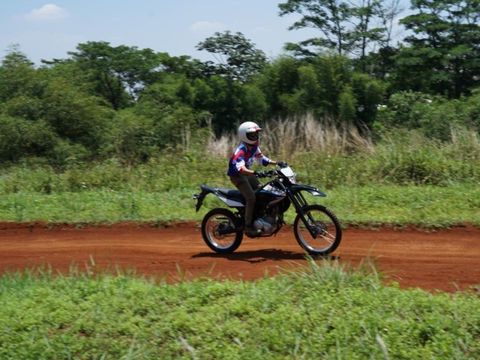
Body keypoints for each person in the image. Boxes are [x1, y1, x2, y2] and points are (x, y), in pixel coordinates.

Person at [227, 121, 283, 237]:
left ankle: (259, 216)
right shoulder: (241, 151)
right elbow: (241, 168)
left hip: (247, 172)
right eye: (252, 135)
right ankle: (248, 226)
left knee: (262, 191)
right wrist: (256, 173)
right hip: (237, 175)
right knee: (251, 198)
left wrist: (277, 163)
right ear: (244, 135)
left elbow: (261, 159)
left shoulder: (254, 145)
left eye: (256, 134)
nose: (255, 136)